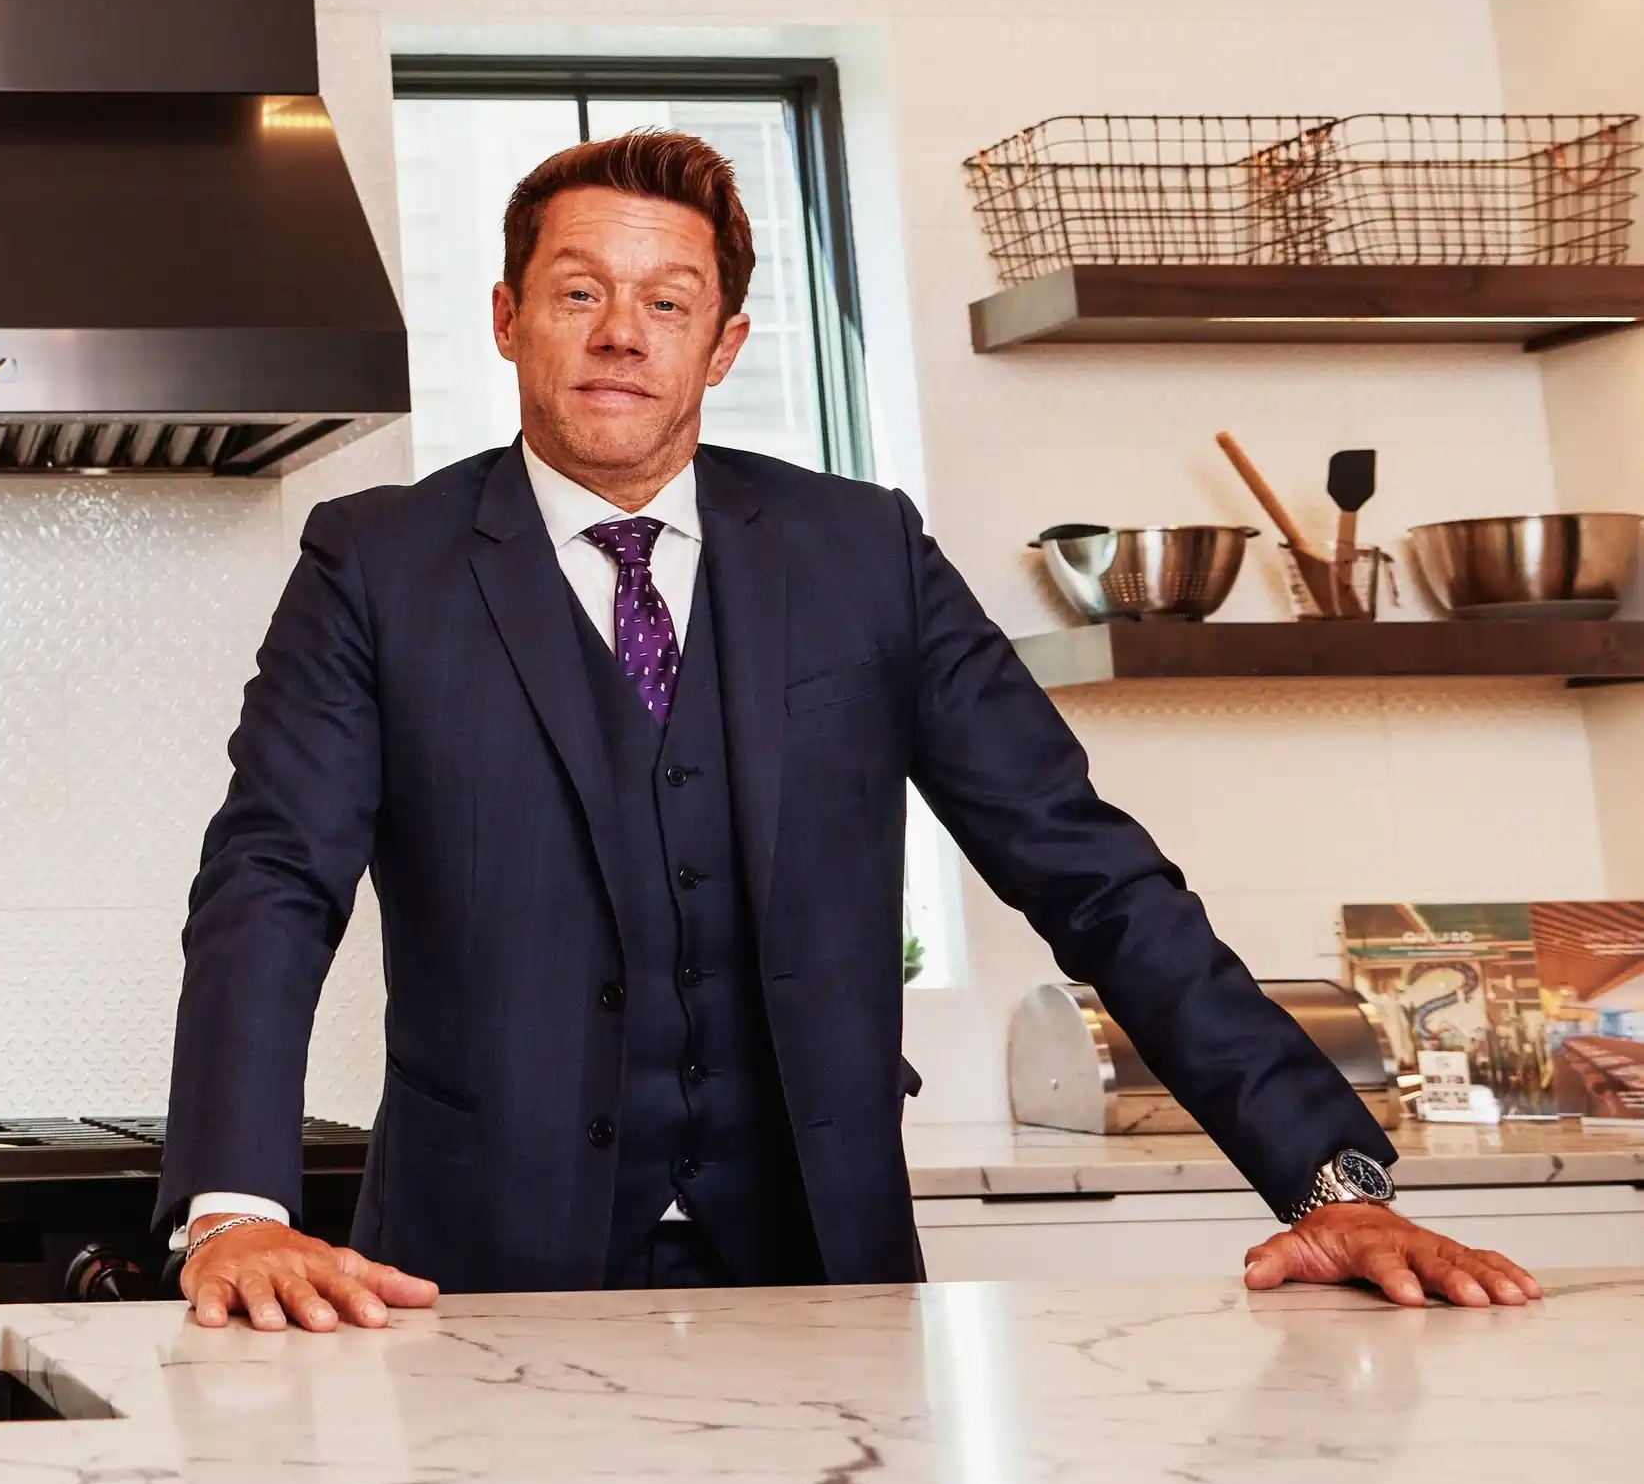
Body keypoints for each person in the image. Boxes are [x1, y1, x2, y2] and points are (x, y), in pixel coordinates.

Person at [156, 129, 1539, 1331]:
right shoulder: (376, 564)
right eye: (580, 292)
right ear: (511, 316)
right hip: (472, 1275)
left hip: (827, 1262)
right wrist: (233, 1208)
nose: (622, 331)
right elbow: (272, 882)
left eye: (667, 300)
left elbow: (1085, 867)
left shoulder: (859, 552)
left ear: (726, 342)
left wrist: (1327, 1180)